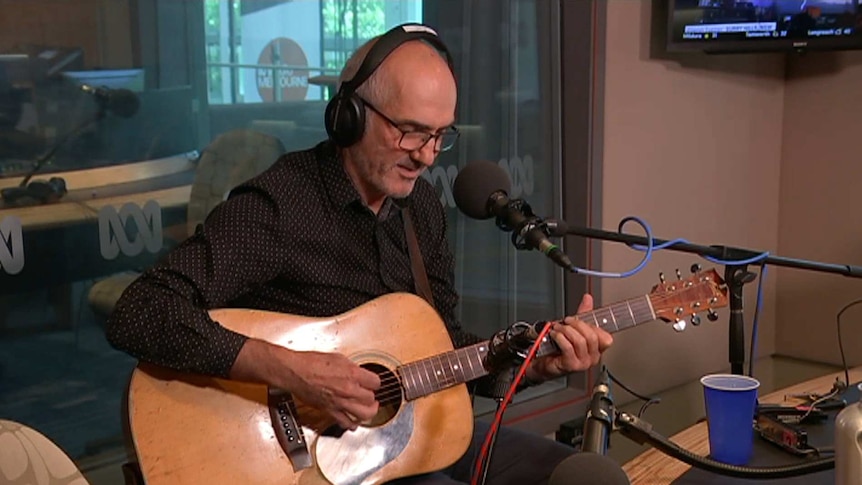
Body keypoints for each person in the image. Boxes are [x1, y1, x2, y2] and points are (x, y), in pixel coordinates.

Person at [106, 23, 614, 485]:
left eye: (441, 135)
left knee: (587, 477)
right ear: (349, 116)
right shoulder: (280, 206)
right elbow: (141, 311)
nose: (427, 155)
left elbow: (442, 351)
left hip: (406, 438)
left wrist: (534, 364)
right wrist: (292, 370)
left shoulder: (421, 209)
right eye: (411, 131)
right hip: (305, 462)